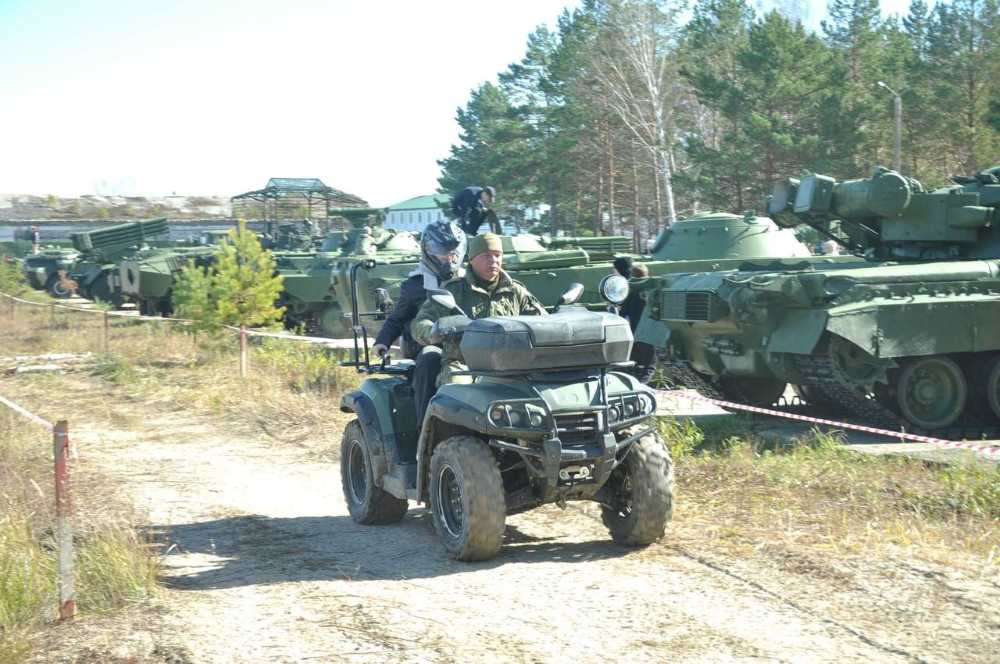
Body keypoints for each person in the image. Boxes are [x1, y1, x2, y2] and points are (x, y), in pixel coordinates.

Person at [410, 233, 546, 424]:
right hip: (464, 365)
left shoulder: (516, 291)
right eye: (486, 255)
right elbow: (420, 323)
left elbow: (542, 321)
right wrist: (434, 331)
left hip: (513, 368)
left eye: (497, 255)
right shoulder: (454, 290)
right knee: (454, 398)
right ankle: (446, 443)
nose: (494, 260)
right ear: (472, 260)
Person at [372, 220, 466, 360]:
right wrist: (382, 342)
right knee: (429, 360)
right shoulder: (415, 285)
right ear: (428, 252)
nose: (449, 258)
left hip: (466, 346)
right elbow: (397, 319)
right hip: (425, 347)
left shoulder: (467, 280)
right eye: (443, 252)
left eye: (453, 253)